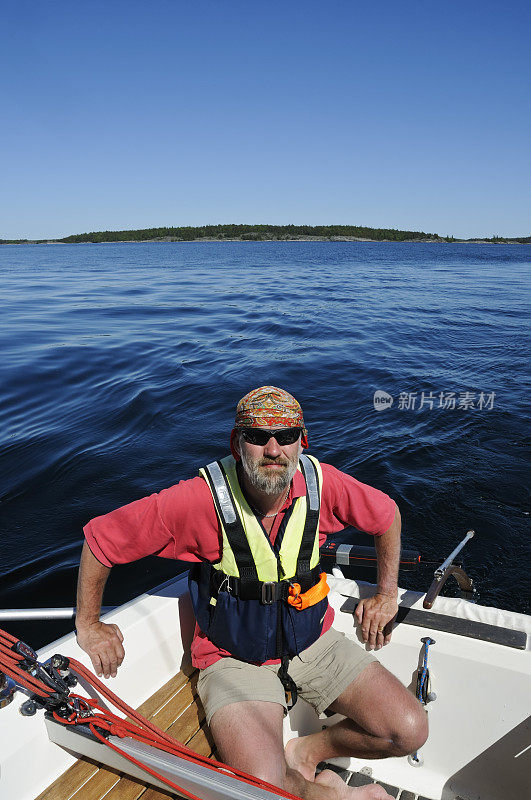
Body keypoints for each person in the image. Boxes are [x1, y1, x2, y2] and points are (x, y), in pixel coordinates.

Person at [76, 386, 428, 800]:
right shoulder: (197, 501)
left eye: (286, 435)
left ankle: (308, 751)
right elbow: (101, 539)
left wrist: (388, 594)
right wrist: (89, 623)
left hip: (313, 642)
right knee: (264, 790)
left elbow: (387, 515)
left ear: (303, 441)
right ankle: (328, 794)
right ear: (236, 442)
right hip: (232, 658)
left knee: (409, 731)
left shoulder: (323, 485)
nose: (273, 449)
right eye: (258, 437)